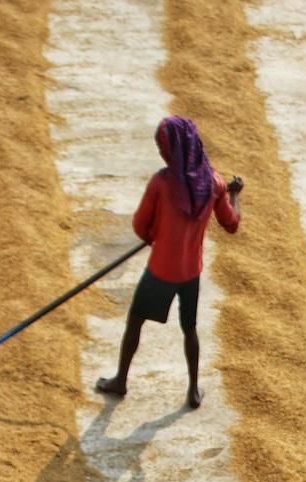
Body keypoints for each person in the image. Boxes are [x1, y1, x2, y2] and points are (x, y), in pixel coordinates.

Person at [96, 116, 243, 407]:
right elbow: (232, 222)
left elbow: (140, 226)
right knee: (189, 329)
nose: (162, 154)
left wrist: (155, 235)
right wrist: (234, 194)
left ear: (172, 150)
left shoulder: (162, 183)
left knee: (135, 322)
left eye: (162, 148)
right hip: (191, 273)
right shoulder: (213, 183)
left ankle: (121, 380)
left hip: (161, 270)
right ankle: (193, 390)